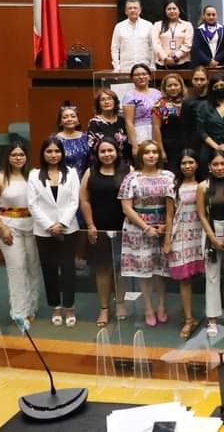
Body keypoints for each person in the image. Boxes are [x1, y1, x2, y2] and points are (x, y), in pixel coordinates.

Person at [119, 140, 175, 327]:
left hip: (163, 228)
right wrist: (146, 227)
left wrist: (164, 227)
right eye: (147, 152)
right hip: (139, 229)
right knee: (145, 273)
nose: (151, 155)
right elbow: (127, 208)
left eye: (154, 152)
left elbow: (172, 205)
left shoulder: (168, 176)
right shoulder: (131, 178)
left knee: (161, 271)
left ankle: (161, 306)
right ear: (140, 155)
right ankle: (148, 308)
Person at [0, 142, 40, 325]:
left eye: (21, 155)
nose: (18, 158)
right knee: (17, 268)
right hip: (9, 227)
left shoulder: (32, 176)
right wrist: (2, 228)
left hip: (31, 225)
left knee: (32, 266)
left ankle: (32, 307)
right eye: (14, 155)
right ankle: (19, 312)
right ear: (8, 157)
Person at [28, 137, 82, 327]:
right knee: (49, 269)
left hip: (69, 229)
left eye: (57, 151)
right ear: (43, 154)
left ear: (62, 153)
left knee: (68, 269)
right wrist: (50, 225)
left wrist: (62, 223)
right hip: (44, 231)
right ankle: (56, 307)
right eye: (49, 151)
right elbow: (32, 205)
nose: (53, 155)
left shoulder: (72, 173)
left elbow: (75, 201)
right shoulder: (34, 175)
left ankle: (69, 306)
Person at [80, 137, 130, 328]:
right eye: (103, 151)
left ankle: (120, 303)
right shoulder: (90, 172)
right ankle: (104, 308)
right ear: (97, 154)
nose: (107, 154)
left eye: (110, 151)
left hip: (123, 228)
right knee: (102, 269)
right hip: (99, 228)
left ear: (117, 151)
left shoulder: (127, 171)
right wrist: (90, 225)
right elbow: (84, 200)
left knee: (120, 269)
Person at [196, 150, 224, 336]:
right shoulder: (202, 186)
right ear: (209, 166)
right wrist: (212, 237)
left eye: (223, 164)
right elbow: (201, 214)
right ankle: (212, 319)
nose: (220, 168)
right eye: (215, 164)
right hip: (210, 234)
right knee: (212, 277)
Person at [165, 151, 206, 339]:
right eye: (184, 163)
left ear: (197, 164)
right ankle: (189, 319)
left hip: (202, 235)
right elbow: (169, 214)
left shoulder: (205, 185)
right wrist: (167, 241)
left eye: (191, 162)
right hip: (181, 235)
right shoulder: (174, 187)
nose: (187, 166)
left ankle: (211, 318)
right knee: (184, 280)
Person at [195, 74, 224, 163]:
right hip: (208, 151)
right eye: (216, 86)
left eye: (222, 85)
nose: (219, 88)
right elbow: (201, 130)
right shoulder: (204, 106)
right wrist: (216, 147)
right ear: (212, 89)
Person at [151, 73, 187, 174]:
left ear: (181, 86)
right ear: (165, 88)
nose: (173, 88)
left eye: (176, 85)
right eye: (169, 86)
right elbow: (156, 128)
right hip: (169, 146)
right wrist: (161, 150)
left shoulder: (188, 102)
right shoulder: (160, 104)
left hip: (186, 145)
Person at [122, 63, 162, 151]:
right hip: (139, 135)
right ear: (132, 78)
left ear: (149, 77)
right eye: (137, 75)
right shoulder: (130, 96)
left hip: (157, 134)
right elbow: (129, 122)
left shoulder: (157, 93)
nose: (141, 77)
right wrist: (134, 145)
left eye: (144, 74)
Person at [110, 0, 154, 72]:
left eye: (135, 8)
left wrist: (152, 65)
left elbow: (153, 47)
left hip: (145, 69)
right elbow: (114, 48)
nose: (132, 10)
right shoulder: (119, 26)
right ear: (126, 11)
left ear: (140, 10)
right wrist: (116, 67)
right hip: (125, 69)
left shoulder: (149, 25)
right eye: (130, 8)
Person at [88, 88, 130, 161]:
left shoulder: (122, 121)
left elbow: (127, 144)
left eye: (109, 99)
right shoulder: (94, 123)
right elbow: (93, 148)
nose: (106, 102)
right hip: (103, 162)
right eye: (103, 100)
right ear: (98, 104)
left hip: (122, 162)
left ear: (115, 102)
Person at [152, 0, 194, 69]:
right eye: (169, 9)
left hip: (182, 62)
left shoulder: (187, 25)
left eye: (174, 8)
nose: (172, 11)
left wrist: (176, 57)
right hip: (163, 63)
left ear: (179, 10)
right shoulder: (157, 25)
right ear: (165, 11)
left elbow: (188, 44)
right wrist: (165, 58)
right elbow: (156, 44)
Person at [55, 103, 90, 176]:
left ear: (78, 121)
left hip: (86, 180)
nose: (69, 119)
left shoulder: (87, 137)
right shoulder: (55, 140)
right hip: (65, 180)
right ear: (60, 122)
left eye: (73, 116)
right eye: (65, 117)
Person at [191, 5, 224, 70]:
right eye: (208, 15)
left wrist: (217, 59)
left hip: (220, 64)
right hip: (203, 66)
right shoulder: (198, 30)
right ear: (204, 16)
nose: (211, 17)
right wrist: (208, 61)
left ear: (216, 16)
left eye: (213, 15)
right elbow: (197, 49)